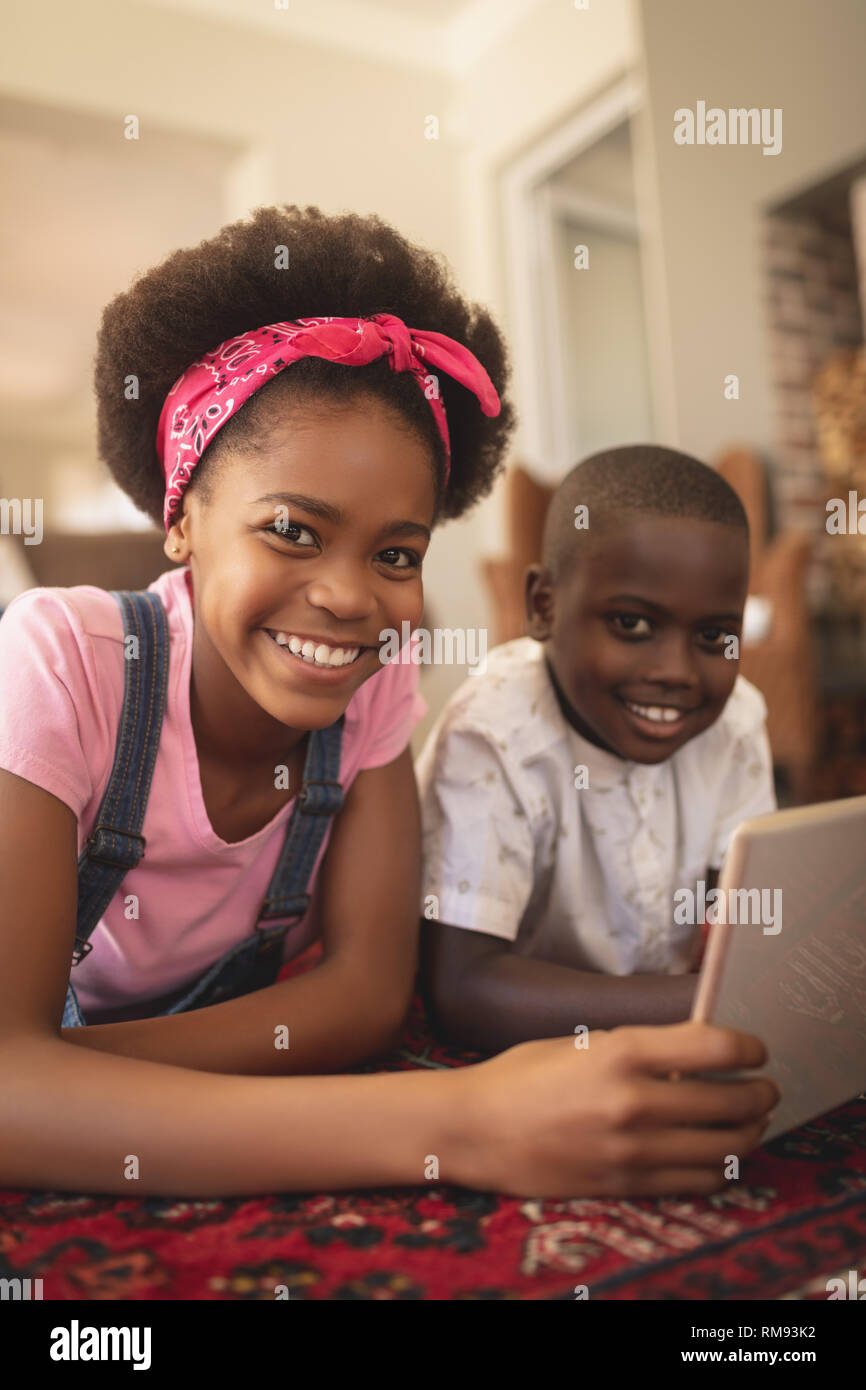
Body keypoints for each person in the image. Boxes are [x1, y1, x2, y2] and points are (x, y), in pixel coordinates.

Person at [0, 211, 778, 1200]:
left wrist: (76, 1078)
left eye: (396, 554)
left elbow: (366, 998)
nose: (349, 596)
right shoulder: (61, 660)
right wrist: (459, 1122)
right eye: (291, 529)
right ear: (182, 516)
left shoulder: (370, 684)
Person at [418, 446, 778, 1053]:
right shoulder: (493, 734)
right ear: (544, 606)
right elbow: (463, 990)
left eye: (715, 635)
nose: (677, 672)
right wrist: (724, 1000)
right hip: (523, 1057)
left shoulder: (735, 721)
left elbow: (748, 918)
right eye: (633, 625)